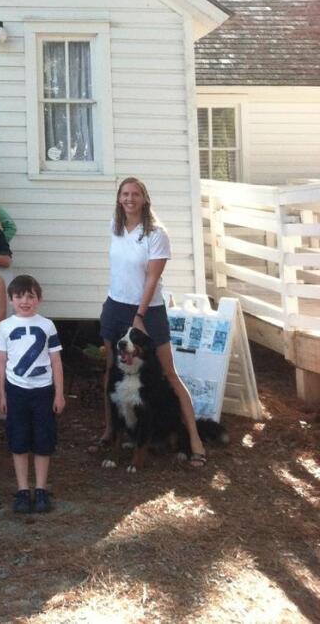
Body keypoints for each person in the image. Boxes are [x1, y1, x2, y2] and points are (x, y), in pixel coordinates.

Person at [96, 176, 207, 466]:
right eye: (124, 194)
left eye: (135, 194)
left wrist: (140, 314)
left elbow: (152, 278)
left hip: (148, 310)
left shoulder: (156, 234)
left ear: (145, 199)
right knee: (111, 370)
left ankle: (195, 440)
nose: (129, 199)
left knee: (169, 373)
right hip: (115, 306)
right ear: (119, 198)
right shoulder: (115, 226)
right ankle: (111, 430)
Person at [0, 274, 65, 514]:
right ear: (11, 299)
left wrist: (59, 394)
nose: (25, 301)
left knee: (43, 440)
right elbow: (1, 362)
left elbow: (56, 361)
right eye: (19, 296)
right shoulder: (5, 326)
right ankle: (23, 489)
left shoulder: (47, 325)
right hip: (16, 390)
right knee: (19, 440)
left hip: (43, 391)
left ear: (39, 299)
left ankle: (41, 489)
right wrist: (1, 394)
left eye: (30, 296)